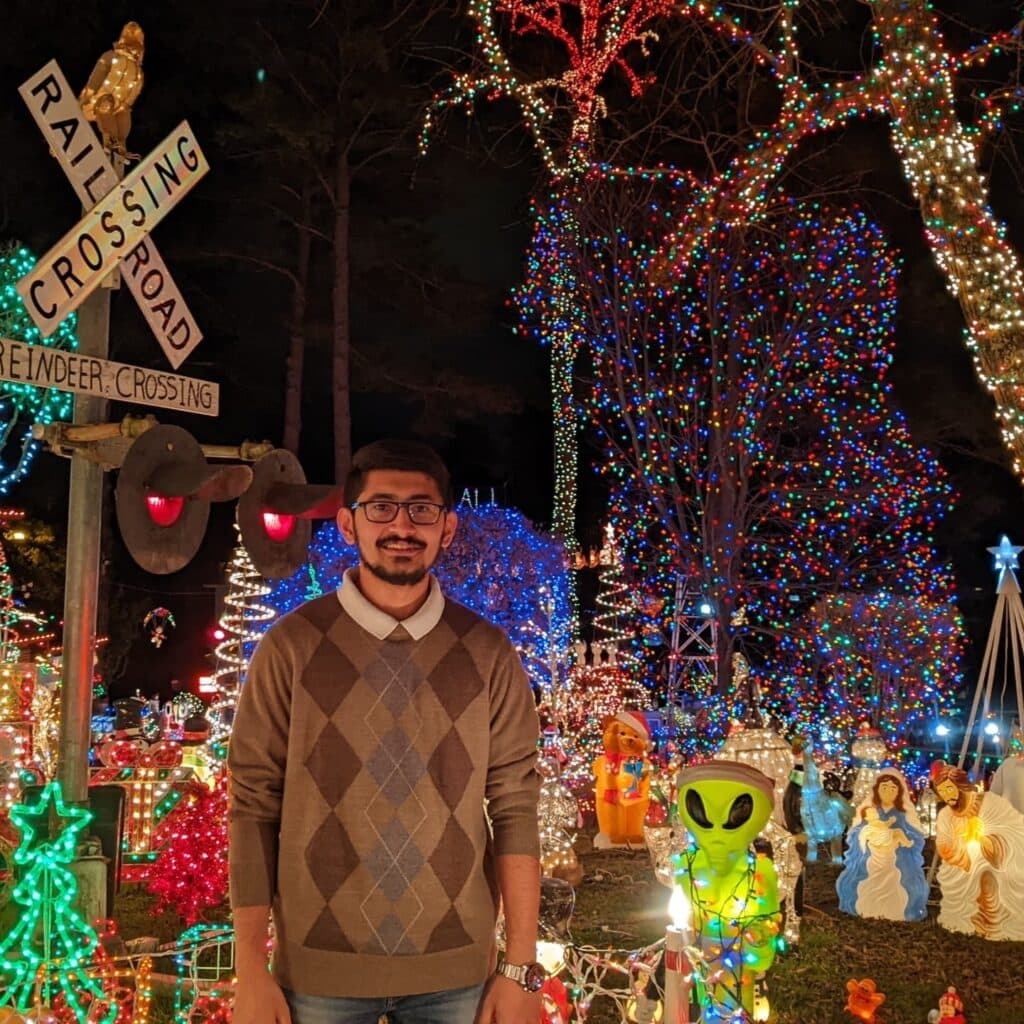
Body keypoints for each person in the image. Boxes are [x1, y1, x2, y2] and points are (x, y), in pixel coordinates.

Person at [228, 439, 543, 1024]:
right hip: (316, 977)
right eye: (381, 507)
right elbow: (251, 809)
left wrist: (520, 970)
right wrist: (250, 970)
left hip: (459, 976)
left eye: (421, 509)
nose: (402, 524)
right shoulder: (290, 648)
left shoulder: (489, 653)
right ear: (347, 524)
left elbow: (516, 808)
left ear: (447, 529)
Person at [930, 760, 1024, 940]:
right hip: (962, 862)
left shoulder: (984, 805)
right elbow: (944, 844)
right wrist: (961, 847)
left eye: (950, 789)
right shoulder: (946, 815)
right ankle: (968, 919)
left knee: (991, 879)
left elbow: (1003, 824)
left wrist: (984, 840)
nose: (948, 795)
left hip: (993, 856)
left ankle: (994, 921)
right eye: (942, 792)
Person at [836, 770, 927, 921]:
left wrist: (903, 838)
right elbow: (857, 830)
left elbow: (916, 834)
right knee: (869, 876)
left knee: (896, 877)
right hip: (873, 854)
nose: (888, 792)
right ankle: (868, 905)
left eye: (893, 788)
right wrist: (867, 833)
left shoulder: (903, 814)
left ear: (899, 791)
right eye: (884, 787)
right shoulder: (871, 811)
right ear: (877, 789)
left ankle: (895, 908)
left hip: (895, 856)